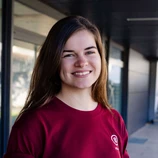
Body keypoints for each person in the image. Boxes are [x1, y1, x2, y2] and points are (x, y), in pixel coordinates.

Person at [4, 16, 129, 158]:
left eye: (89, 52)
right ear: (54, 61)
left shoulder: (115, 120)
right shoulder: (33, 124)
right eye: (69, 55)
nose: (82, 62)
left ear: (100, 57)